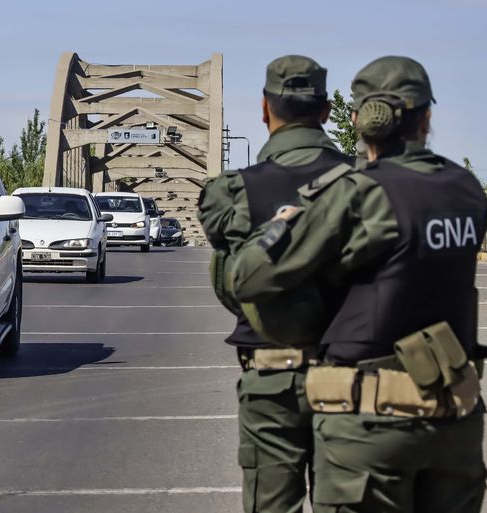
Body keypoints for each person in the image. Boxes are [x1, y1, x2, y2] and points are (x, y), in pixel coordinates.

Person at [224, 56, 487, 513]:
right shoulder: (465, 189)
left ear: (359, 120)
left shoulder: (356, 192)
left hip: (370, 426)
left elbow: (249, 276)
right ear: (426, 117)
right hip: (455, 421)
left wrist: (283, 223)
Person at [198, 55, 353, 513]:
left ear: (264, 109)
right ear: (326, 112)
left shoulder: (234, 190)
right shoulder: (366, 182)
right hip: (352, 377)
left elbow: (226, 263)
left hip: (272, 376)